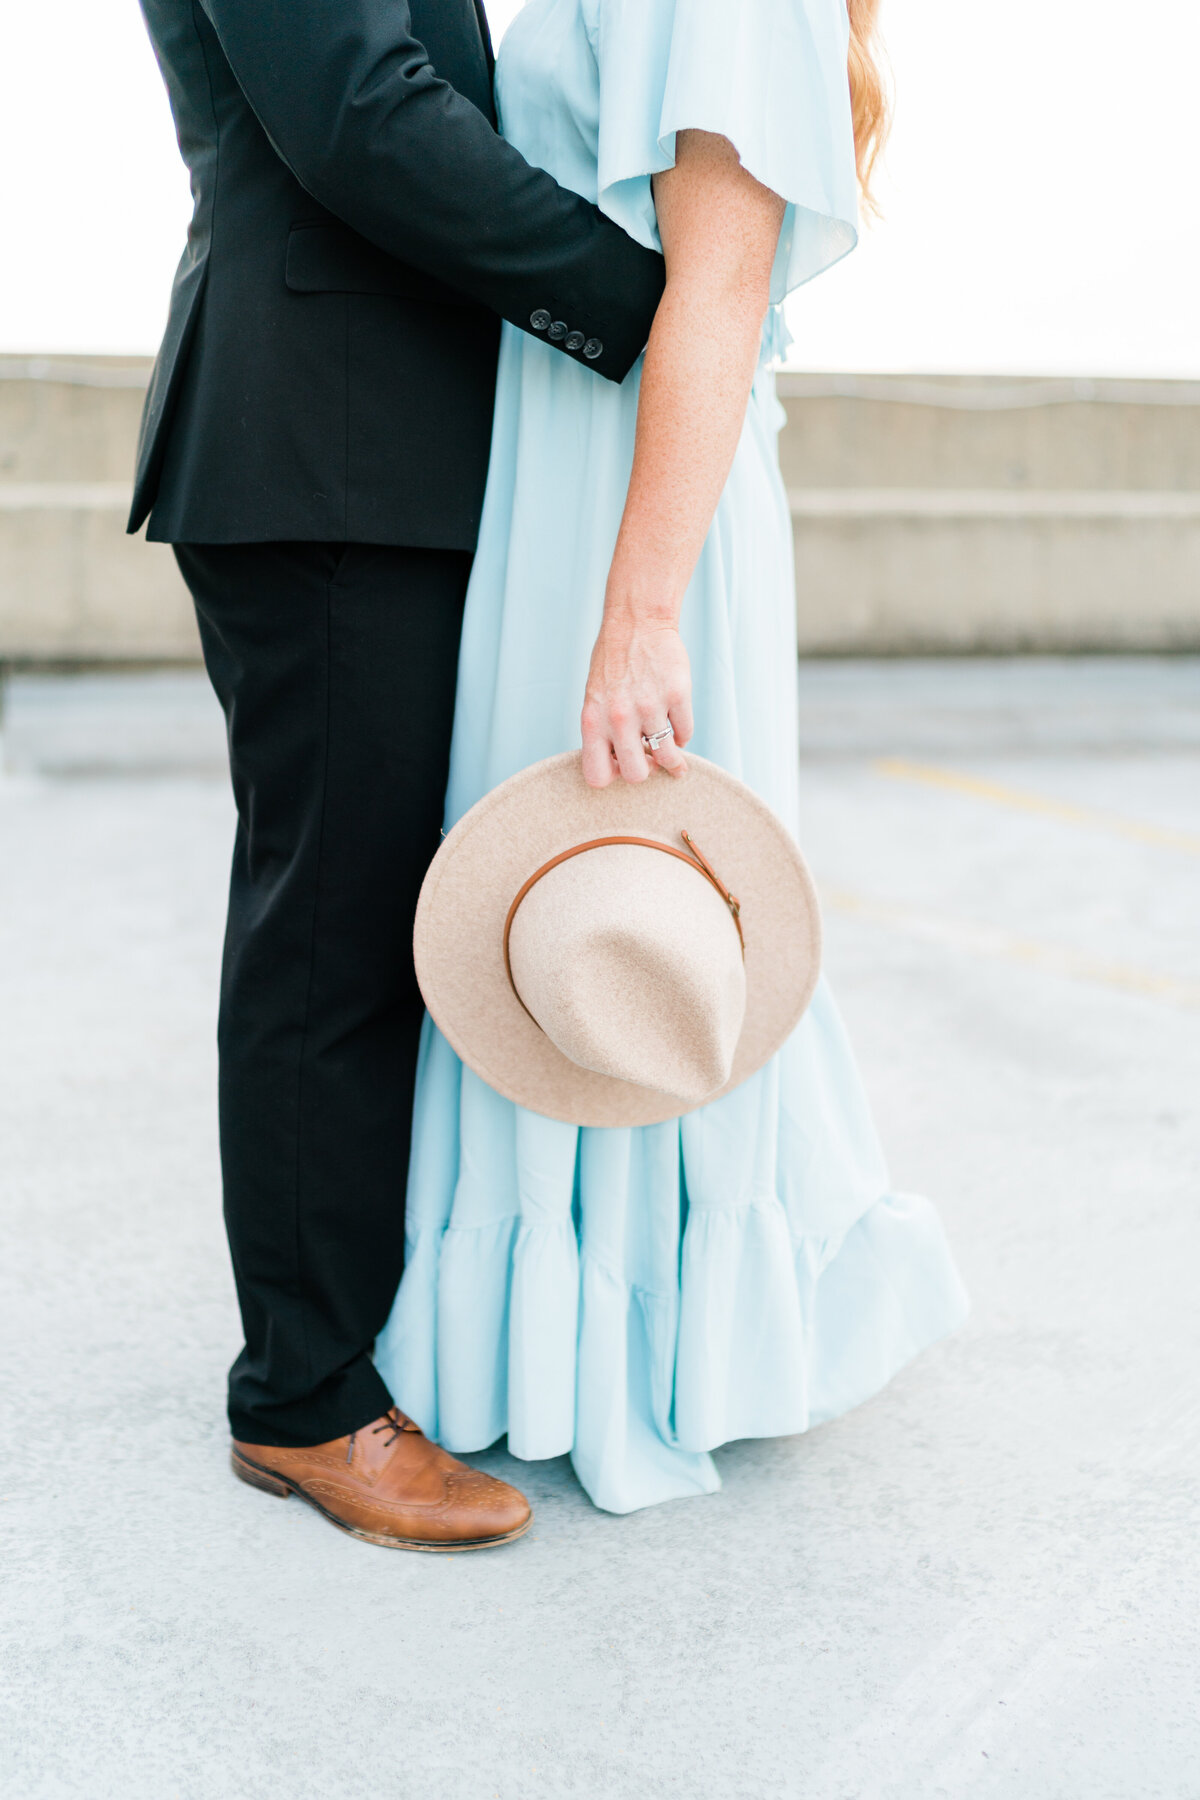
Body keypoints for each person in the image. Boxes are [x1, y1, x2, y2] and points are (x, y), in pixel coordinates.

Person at [370, 0, 970, 1515]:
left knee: (633, 896)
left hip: (637, 511)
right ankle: (546, 1333)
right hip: (564, 472)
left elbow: (721, 282)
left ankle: (650, 1351)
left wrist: (639, 612)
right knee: (548, 902)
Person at [133, 0, 668, 1550]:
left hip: (373, 449)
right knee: (330, 943)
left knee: (358, 929)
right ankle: (302, 1401)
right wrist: (641, 302)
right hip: (323, 447)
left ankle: (344, 1340)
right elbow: (363, 111)